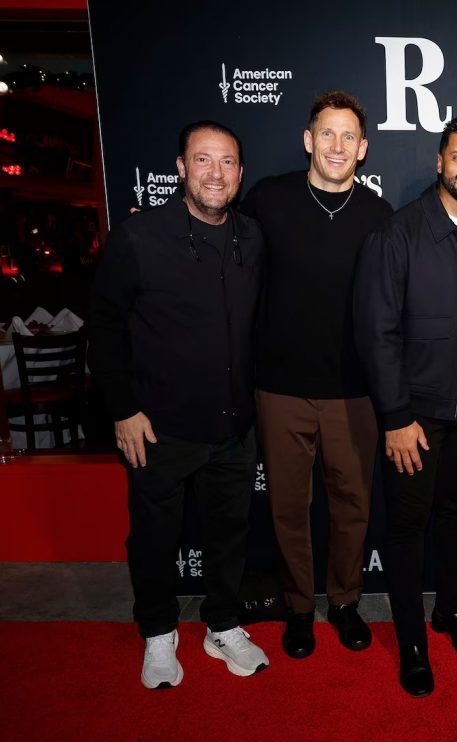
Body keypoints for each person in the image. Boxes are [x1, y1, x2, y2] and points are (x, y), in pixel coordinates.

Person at [89, 120, 269, 689]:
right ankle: (159, 634)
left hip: (234, 425)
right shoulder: (138, 238)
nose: (215, 173)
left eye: (227, 163)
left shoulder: (252, 238)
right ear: (181, 168)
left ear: (240, 173)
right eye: (203, 160)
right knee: (153, 538)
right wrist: (122, 408)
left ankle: (221, 625)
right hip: (158, 427)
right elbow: (105, 324)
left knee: (229, 535)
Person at [240, 91, 393, 660]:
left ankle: (346, 603)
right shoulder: (269, 200)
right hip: (280, 387)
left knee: (352, 502)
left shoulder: (379, 216)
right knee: (287, 505)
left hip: (354, 389)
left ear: (363, 148)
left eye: (348, 136)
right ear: (308, 140)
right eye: (326, 134)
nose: (337, 145)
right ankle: (299, 607)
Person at [353, 115, 457, 697]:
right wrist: (395, 417)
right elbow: (376, 333)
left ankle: (451, 613)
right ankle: (412, 643)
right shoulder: (400, 233)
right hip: (415, 415)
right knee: (409, 529)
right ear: (440, 162)